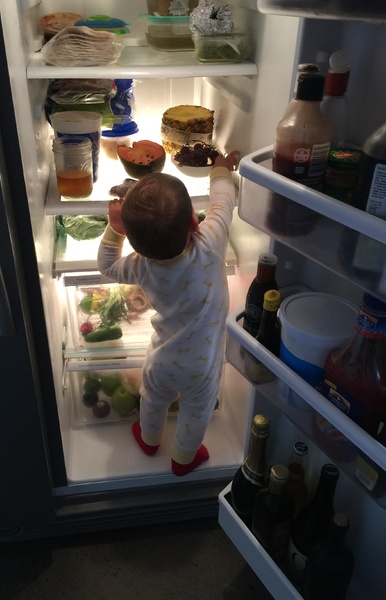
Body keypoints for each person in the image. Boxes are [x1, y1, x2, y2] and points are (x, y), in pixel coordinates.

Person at [97, 150, 238, 475]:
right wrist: (220, 171)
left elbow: (106, 266)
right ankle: (183, 459)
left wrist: (115, 228)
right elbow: (223, 204)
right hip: (201, 365)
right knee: (196, 412)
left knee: (153, 399)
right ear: (194, 222)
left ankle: (149, 440)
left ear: (136, 244)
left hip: (161, 358)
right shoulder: (210, 243)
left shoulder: (140, 266)